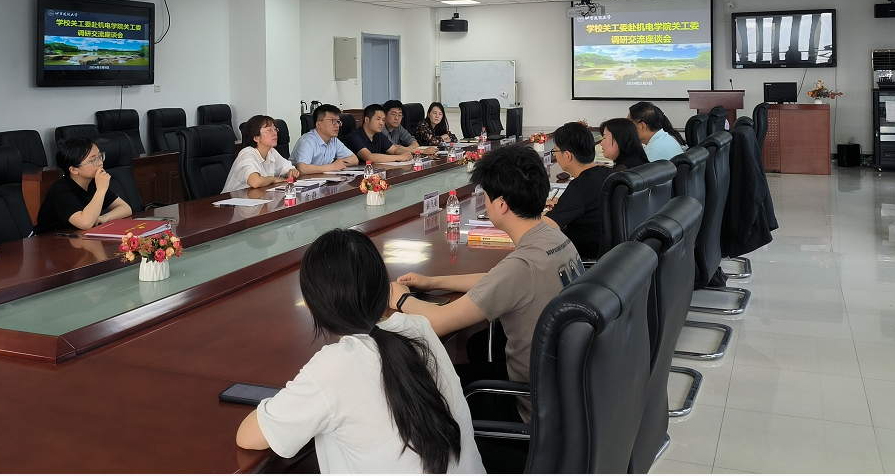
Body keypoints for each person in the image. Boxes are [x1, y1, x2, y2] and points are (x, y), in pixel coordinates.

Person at [236, 229, 483, 474]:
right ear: (385, 291)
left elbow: (249, 437)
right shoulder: (419, 328)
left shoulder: (333, 367)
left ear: (310, 307)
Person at [388, 144, 583, 425]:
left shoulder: (522, 266)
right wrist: (431, 282)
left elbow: (438, 322)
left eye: (486, 196)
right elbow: (497, 281)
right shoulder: (553, 237)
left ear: (501, 204)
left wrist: (401, 298)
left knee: (425, 387)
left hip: (530, 408)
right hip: (562, 389)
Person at [543, 122, 614, 259]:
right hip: (610, 256)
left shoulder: (580, 186)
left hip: (587, 259)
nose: (555, 156)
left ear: (567, 155)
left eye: (555, 151)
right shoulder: (607, 173)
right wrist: (563, 205)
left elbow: (546, 228)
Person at [34, 137, 133, 234]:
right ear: (74, 170)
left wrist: (103, 218)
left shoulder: (93, 182)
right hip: (47, 240)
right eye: (93, 160)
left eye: (100, 156)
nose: (100, 163)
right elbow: (85, 223)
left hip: (75, 237)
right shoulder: (61, 191)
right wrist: (101, 190)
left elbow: (126, 208)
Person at [223, 115, 300, 193]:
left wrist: (292, 171)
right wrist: (273, 179)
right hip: (232, 198)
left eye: (275, 129)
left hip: (256, 196)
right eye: (269, 130)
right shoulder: (247, 154)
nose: (274, 133)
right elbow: (255, 182)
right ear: (256, 138)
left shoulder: (271, 152)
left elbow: (287, 167)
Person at [291, 104, 359, 174]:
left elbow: (354, 159)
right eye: (333, 121)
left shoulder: (334, 140)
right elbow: (302, 168)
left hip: (322, 178)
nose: (337, 125)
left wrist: (339, 164)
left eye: (338, 122)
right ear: (318, 124)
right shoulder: (307, 141)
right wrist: (332, 166)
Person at [343, 104, 414, 164]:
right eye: (378, 119)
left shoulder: (378, 135)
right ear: (367, 120)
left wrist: (407, 154)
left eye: (383, 120)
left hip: (376, 172)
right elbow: (370, 158)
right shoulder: (355, 137)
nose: (381, 123)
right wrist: (400, 157)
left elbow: (394, 150)